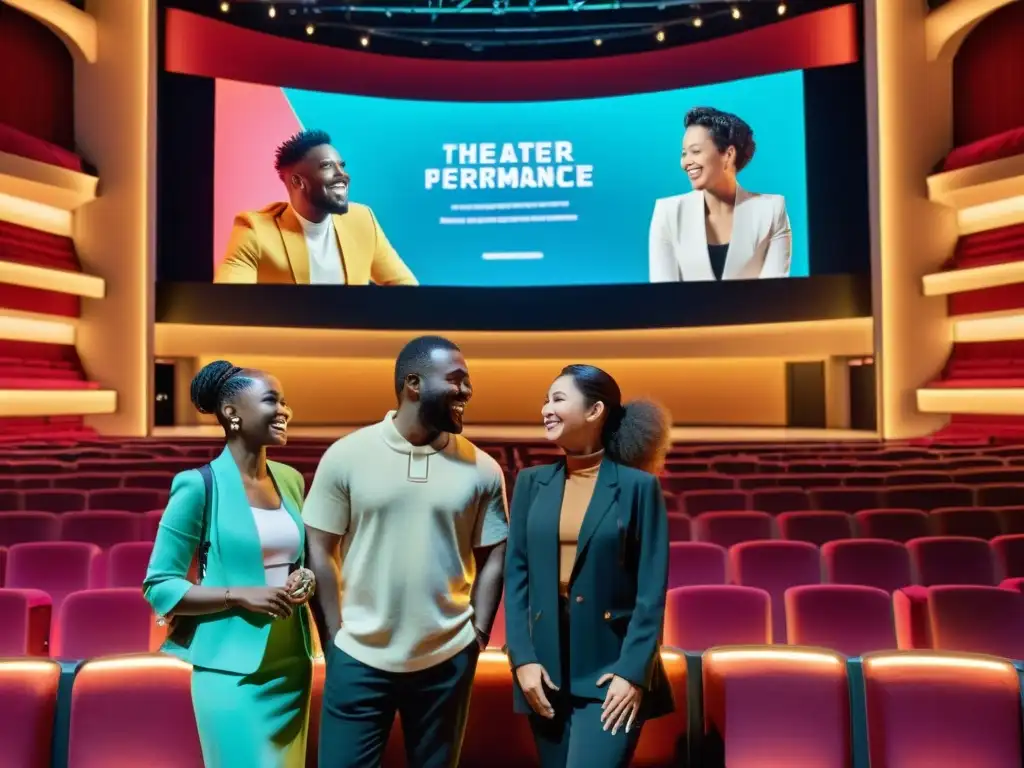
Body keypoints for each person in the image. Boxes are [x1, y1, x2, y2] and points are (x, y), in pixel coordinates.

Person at [303, 335, 509, 768]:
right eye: (456, 380)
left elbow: (493, 557)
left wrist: (478, 636)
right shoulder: (346, 455)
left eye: (468, 382)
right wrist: (335, 641)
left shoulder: (484, 468)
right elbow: (319, 551)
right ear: (413, 383)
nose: (466, 392)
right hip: (358, 656)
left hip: (447, 656)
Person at [143, 360, 316, 768]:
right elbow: (159, 585)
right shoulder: (197, 485)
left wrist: (303, 576)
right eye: (272, 400)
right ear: (232, 413)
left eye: (285, 401)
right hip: (230, 671)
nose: (284, 411)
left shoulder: (291, 479)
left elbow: (290, 561)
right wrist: (238, 595)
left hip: (291, 664)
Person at [504, 364, 675, 768]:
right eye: (546, 400)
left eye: (558, 399)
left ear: (595, 410)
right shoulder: (531, 482)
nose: (546, 408)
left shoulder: (638, 487)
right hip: (544, 675)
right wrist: (522, 661)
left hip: (610, 674)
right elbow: (517, 579)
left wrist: (632, 674)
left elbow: (651, 594)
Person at [215, 129, 418, 286]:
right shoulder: (255, 230)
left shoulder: (362, 219)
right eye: (327, 166)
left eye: (342, 165)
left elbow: (405, 288)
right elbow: (226, 302)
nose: (343, 175)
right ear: (297, 182)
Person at [648, 106, 791, 282]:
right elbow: (663, 296)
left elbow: (776, 295)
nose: (685, 163)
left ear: (728, 155)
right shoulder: (667, 212)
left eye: (696, 151)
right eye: (684, 154)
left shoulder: (772, 210)